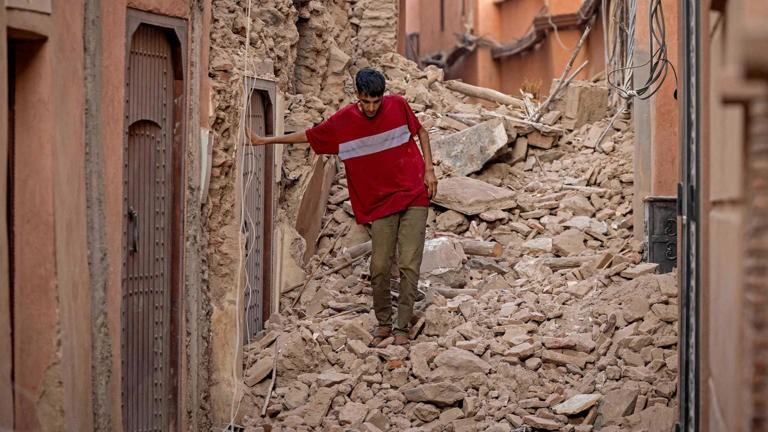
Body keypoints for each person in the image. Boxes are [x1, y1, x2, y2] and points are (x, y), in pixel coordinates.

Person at [247, 68, 437, 347]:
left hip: (414, 194)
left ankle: (402, 328)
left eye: (376, 101)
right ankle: (384, 322)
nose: (371, 107)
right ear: (357, 96)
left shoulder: (398, 105)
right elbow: (309, 136)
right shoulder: (344, 122)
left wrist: (429, 170)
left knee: (409, 263)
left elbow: (420, 131)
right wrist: (265, 141)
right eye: (366, 101)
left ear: (383, 96)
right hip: (380, 202)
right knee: (380, 266)